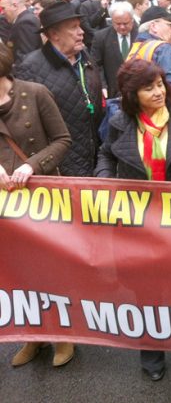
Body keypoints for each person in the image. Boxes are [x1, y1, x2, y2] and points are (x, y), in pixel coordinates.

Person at [95, 58, 171, 381]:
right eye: (149, 88)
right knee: (146, 292)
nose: (158, 92)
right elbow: (106, 152)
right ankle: (152, 354)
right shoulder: (120, 122)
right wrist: (105, 178)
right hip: (137, 225)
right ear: (132, 94)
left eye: (160, 84)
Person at [0, 41, 73, 368]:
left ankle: (64, 334)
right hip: (5, 205)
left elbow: (63, 140)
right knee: (17, 271)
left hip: (42, 196)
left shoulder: (35, 92)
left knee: (52, 269)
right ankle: (33, 335)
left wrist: (32, 165)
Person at [16, 1, 104, 177]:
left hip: (95, 160)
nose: (81, 32)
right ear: (54, 34)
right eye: (73, 27)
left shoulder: (86, 59)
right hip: (59, 168)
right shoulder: (30, 68)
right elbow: (26, 125)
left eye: (80, 26)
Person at [91, 2, 138, 99]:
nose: (122, 27)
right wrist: (102, 86)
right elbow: (96, 65)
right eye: (118, 24)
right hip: (113, 92)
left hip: (138, 89)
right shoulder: (101, 37)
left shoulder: (141, 36)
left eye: (125, 23)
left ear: (132, 21)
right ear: (112, 21)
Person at [0, 0, 42, 64]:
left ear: (15, 6)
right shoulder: (23, 19)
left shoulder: (25, 22)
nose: (2, 13)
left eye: (4, 8)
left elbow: (27, 56)